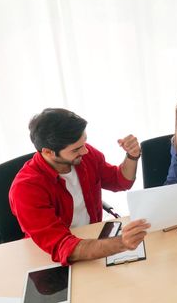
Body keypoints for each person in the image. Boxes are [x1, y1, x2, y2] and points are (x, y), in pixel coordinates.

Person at [9, 108, 150, 265]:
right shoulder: (26, 188)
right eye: (76, 149)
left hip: (92, 238)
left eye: (84, 142)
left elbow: (120, 181)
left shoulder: (86, 155)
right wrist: (121, 243)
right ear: (48, 152)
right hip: (50, 258)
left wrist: (132, 155)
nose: (85, 150)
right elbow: (63, 246)